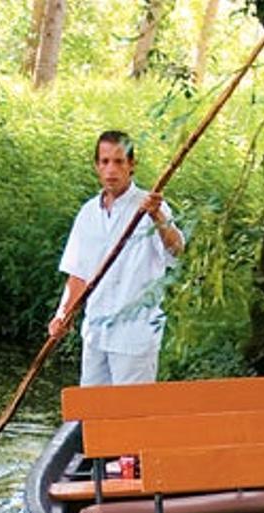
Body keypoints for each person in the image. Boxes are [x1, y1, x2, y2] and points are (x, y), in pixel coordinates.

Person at [48, 130, 185, 386]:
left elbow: (177, 250)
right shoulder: (88, 213)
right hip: (96, 333)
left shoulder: (152, 206)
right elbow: (78, 272)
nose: (111, 170)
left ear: (131, 165)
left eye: (119, 161)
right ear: (97, 165)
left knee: (129, 416)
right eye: (105, 161)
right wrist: (63, 314)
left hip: (136, 335)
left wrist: (157, 217)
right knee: (92, 414)